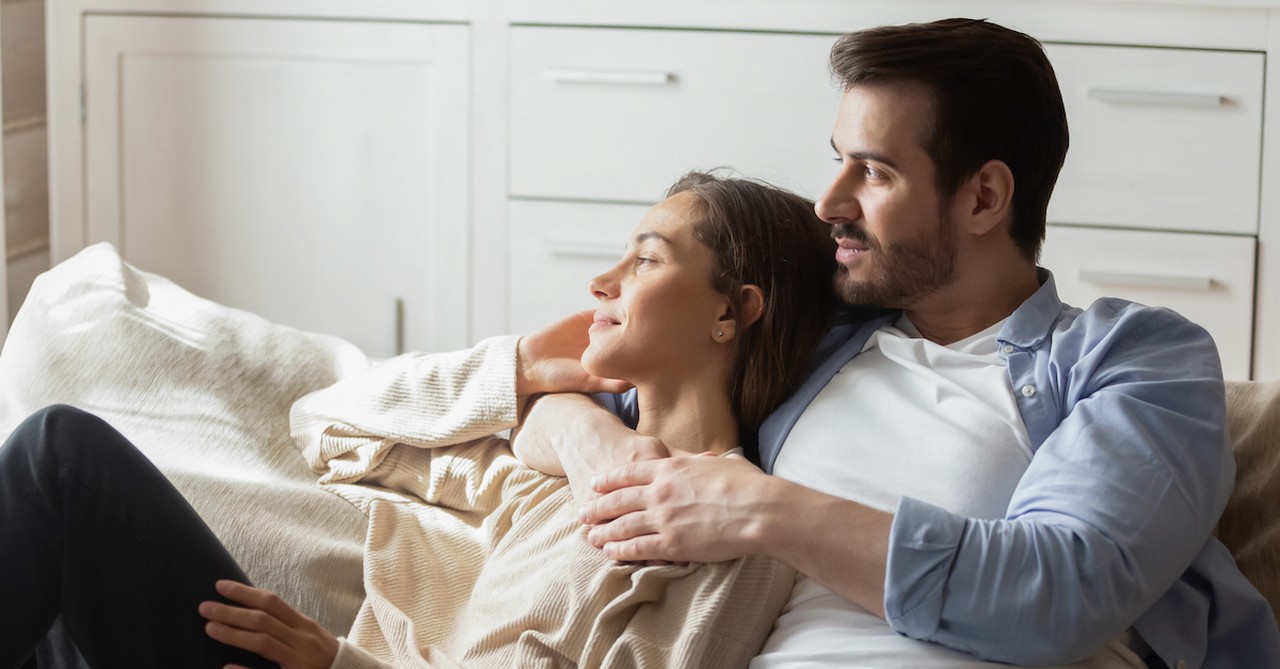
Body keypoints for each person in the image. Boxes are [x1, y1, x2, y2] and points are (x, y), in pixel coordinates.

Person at [511, 18, 1280, 669]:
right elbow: (565, 390)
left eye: (873, 172)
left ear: (983, 196)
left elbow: (1061, 590)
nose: (830, 201)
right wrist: (597, 450)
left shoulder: (1134, 358)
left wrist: (764, 509)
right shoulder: (813, 334)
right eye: (837, 158)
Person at [0, 171, 839, 668]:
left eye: (648, 258)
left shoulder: (741, 529)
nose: (604, 281)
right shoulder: (556, 472)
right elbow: (325, 426)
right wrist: (537, 393)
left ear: (734, 310)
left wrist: (341, 661)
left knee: (60, 457)